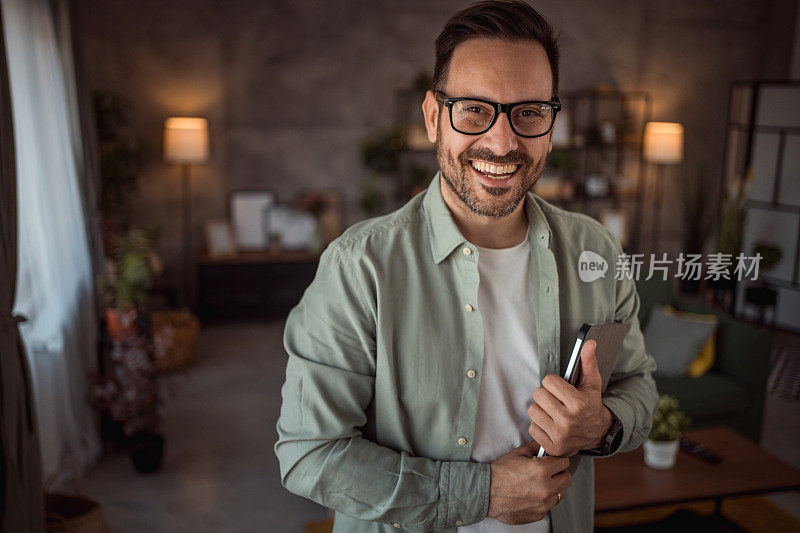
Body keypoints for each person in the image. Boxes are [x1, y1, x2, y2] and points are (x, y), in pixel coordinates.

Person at [274, 1, 658, 531]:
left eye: (528, 112)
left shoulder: (596, 252)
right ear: (434, 117)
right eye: (474, 109)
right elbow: (309, 454)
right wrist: (480, 494)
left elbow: (637, 383)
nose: (502, 142)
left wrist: (601, 426)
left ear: (551, 125)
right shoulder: (358, 268)